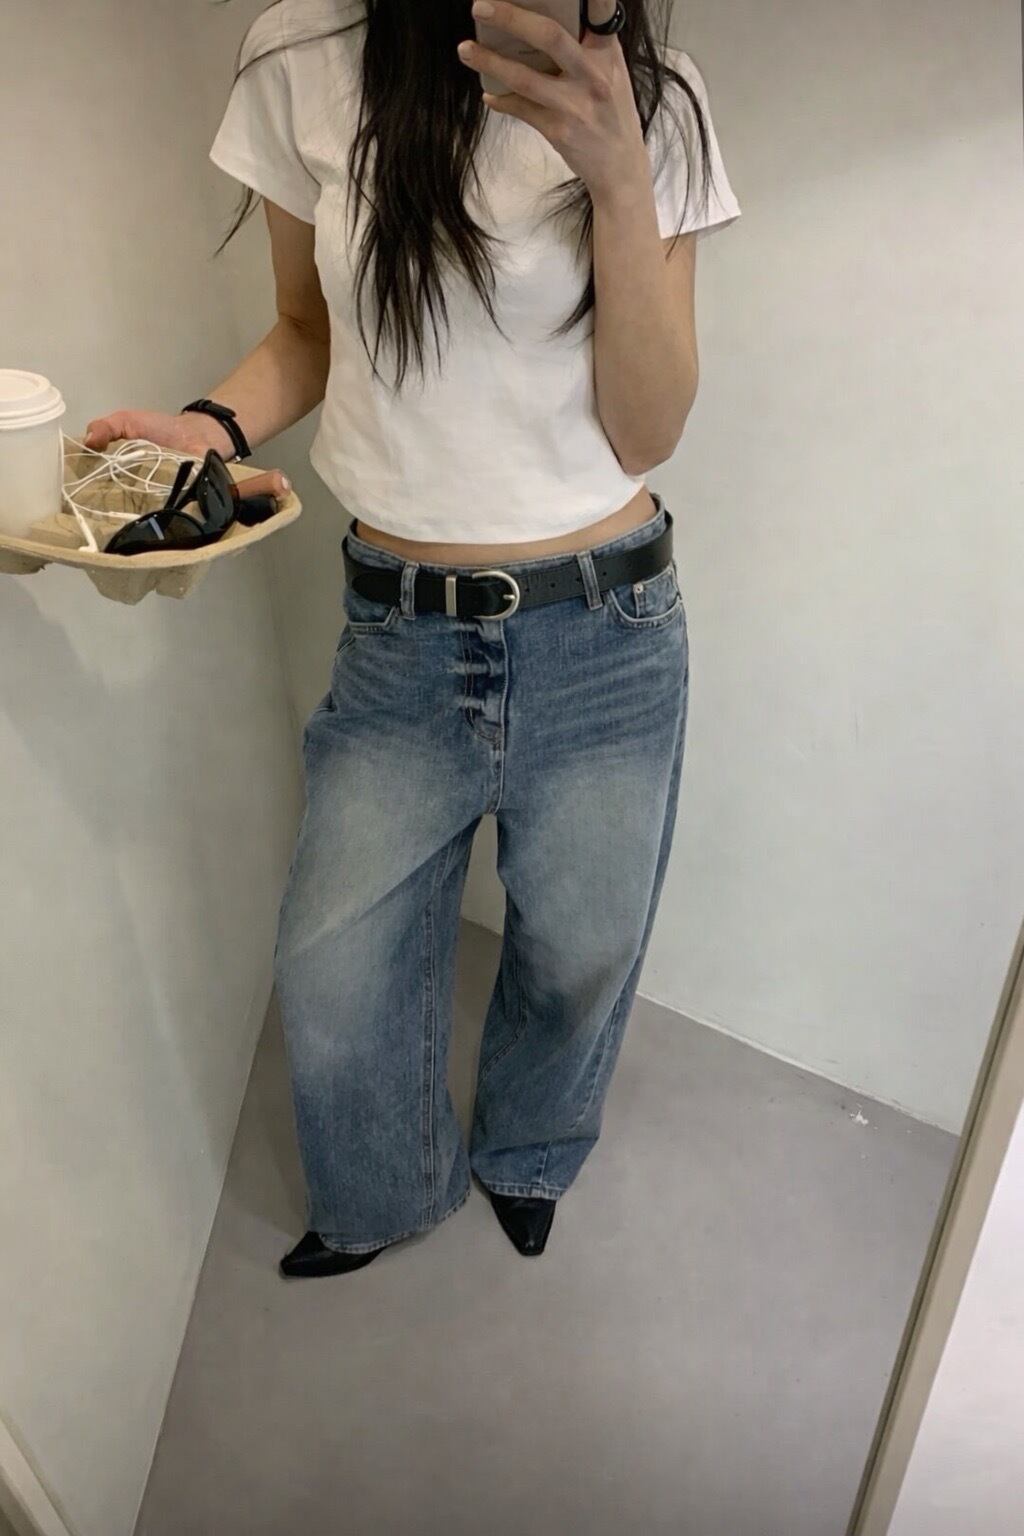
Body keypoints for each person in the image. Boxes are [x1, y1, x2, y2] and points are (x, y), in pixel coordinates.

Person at [86, 0, 741, 1277]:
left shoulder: (655, 97)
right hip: (400, 632)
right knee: (332, 973)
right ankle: (385, 1192)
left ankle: (529, 1151)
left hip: (604, 629)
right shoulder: (301, 57)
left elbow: (648, 428)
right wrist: (212, 428)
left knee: (582, 948)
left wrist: (619, 179)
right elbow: (307, 331)